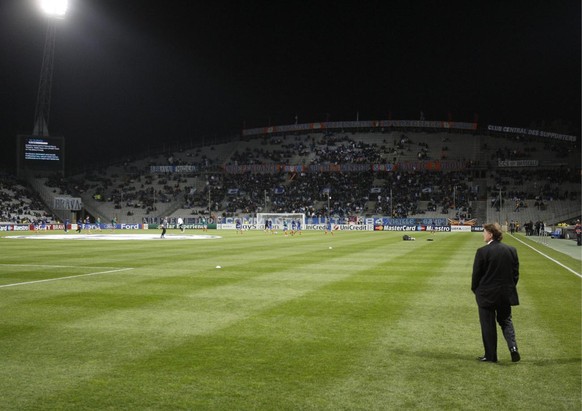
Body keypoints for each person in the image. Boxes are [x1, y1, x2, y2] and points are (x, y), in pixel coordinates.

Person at [471, 223, 521, 363]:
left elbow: (476, 276)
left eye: (484, 232)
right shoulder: (512, 250)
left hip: (487, 295)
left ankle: (491, 356)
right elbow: (515, 274)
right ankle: (513, 348)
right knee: (506, 321)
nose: (483, 234)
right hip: (505, 294)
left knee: (488, 324)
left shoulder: (482, 251)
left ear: (491, 234)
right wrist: (508, 289)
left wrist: (477, 291)